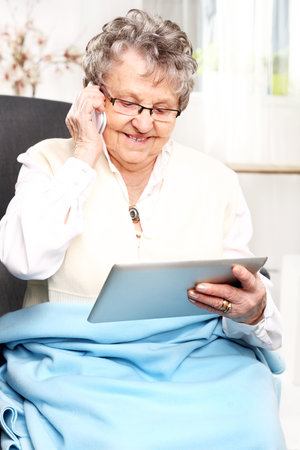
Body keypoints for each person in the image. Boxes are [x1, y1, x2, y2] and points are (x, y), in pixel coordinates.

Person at [0, 9, 286, 450]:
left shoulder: (218, 181)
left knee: (250, 415)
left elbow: (244, 304)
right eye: (128, 103)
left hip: (193, 359)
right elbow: (25, 261)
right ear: (94, 96)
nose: (144, 123)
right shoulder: (49, 163)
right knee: (123, 437)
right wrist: (83, 157)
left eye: (163, 109)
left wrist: (254, 310)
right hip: (75, 362)